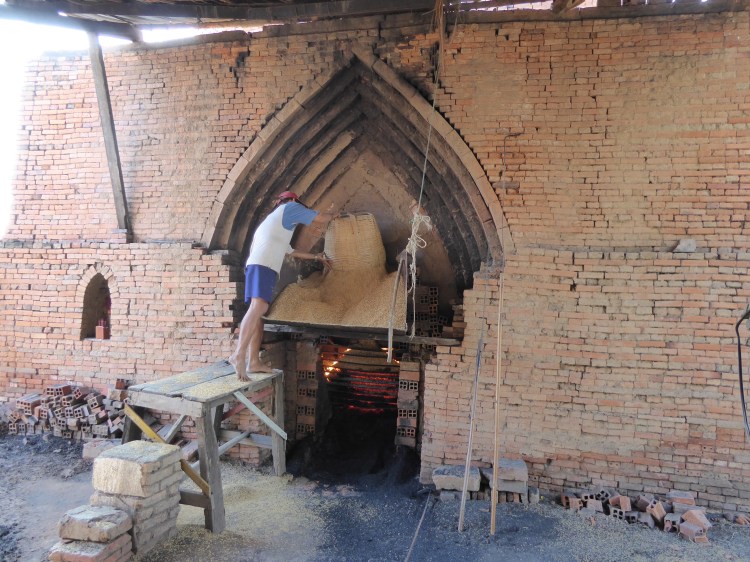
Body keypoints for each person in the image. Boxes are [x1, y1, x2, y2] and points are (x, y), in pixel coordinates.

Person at [229, 191, 334, 381]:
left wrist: (316, 256)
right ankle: (238, 355)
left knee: (258, 314)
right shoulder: (290, 207)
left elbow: (291, 252)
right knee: (259, 307)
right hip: (264, 265)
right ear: (293, 201)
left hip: (255, 265)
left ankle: (253, 361)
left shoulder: (276, 224)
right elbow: (319, 218)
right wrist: (336, 216)